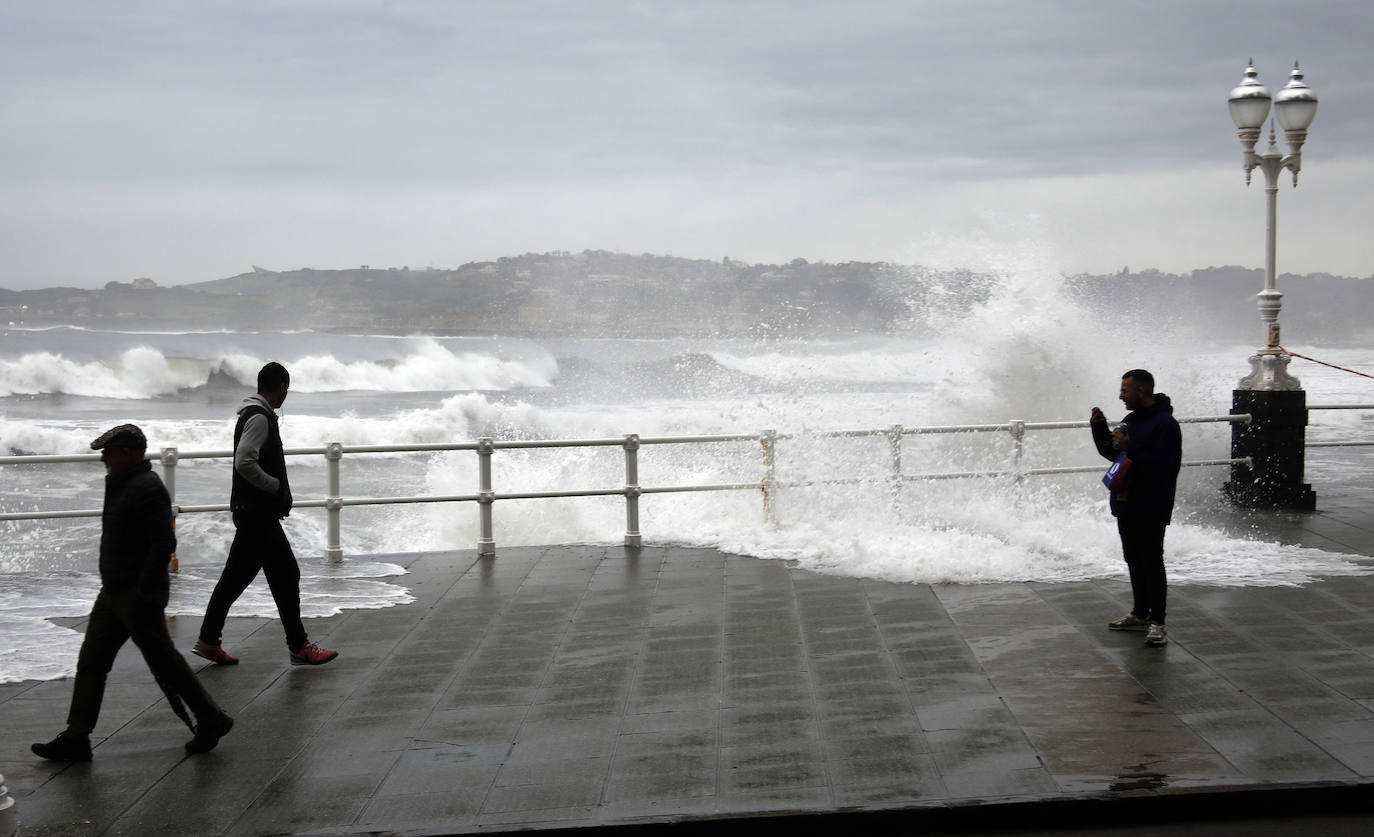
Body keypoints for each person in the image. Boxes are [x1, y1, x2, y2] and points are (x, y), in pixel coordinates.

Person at [31, 424, 233, 761]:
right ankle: (77, 735)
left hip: (137, 596)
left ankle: (212, 718)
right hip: (113, 593)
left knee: (165, 662)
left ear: (127, 453)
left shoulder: (146, 487)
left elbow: (164, 542)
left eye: (108, 453)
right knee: (92, 660)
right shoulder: (123, 482)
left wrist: (145, 589)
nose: (103, 460)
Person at [193, 362, 338, 667]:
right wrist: (273, 487)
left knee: (237, 579)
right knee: (286, 574)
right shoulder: (259, 417)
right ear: (282, 387)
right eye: (288, 388)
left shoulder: (254, 413)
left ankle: (208, 640)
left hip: (252, 512)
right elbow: (244, 460)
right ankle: (299, 647)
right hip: (257, 514)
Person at [1091, 369, 1182, 647]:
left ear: (1142, 391)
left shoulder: (1165, 424)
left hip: (1151, 503)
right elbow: (1115, 454)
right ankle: (1140, 613)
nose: (1121, 396)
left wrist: (1131, 448)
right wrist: (1099, 428)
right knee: (1133, 557)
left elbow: (1164, 468)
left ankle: (1158, 622)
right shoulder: (1131, 420)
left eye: (1125, 391)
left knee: (1152, 560)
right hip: (1126, 501)